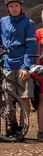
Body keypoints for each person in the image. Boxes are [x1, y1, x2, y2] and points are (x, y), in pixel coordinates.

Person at [0, 0, 36, 137]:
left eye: (16, 6)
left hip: (22, 64)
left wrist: (27, 67)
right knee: (7, 98)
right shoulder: (2, 21)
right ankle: (13, 126)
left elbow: (31, 46)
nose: (14, 8)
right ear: (7, 8)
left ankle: (22, 128)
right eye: (11, 6)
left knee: (24, 97)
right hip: (7, 64)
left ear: (21, 7)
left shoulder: (28, 23)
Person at [35, 10, 43, 141]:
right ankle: (41, 131)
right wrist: (35, 71)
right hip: (42, 68)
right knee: (42, 100)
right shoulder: (39, 33)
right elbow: (36, 53)